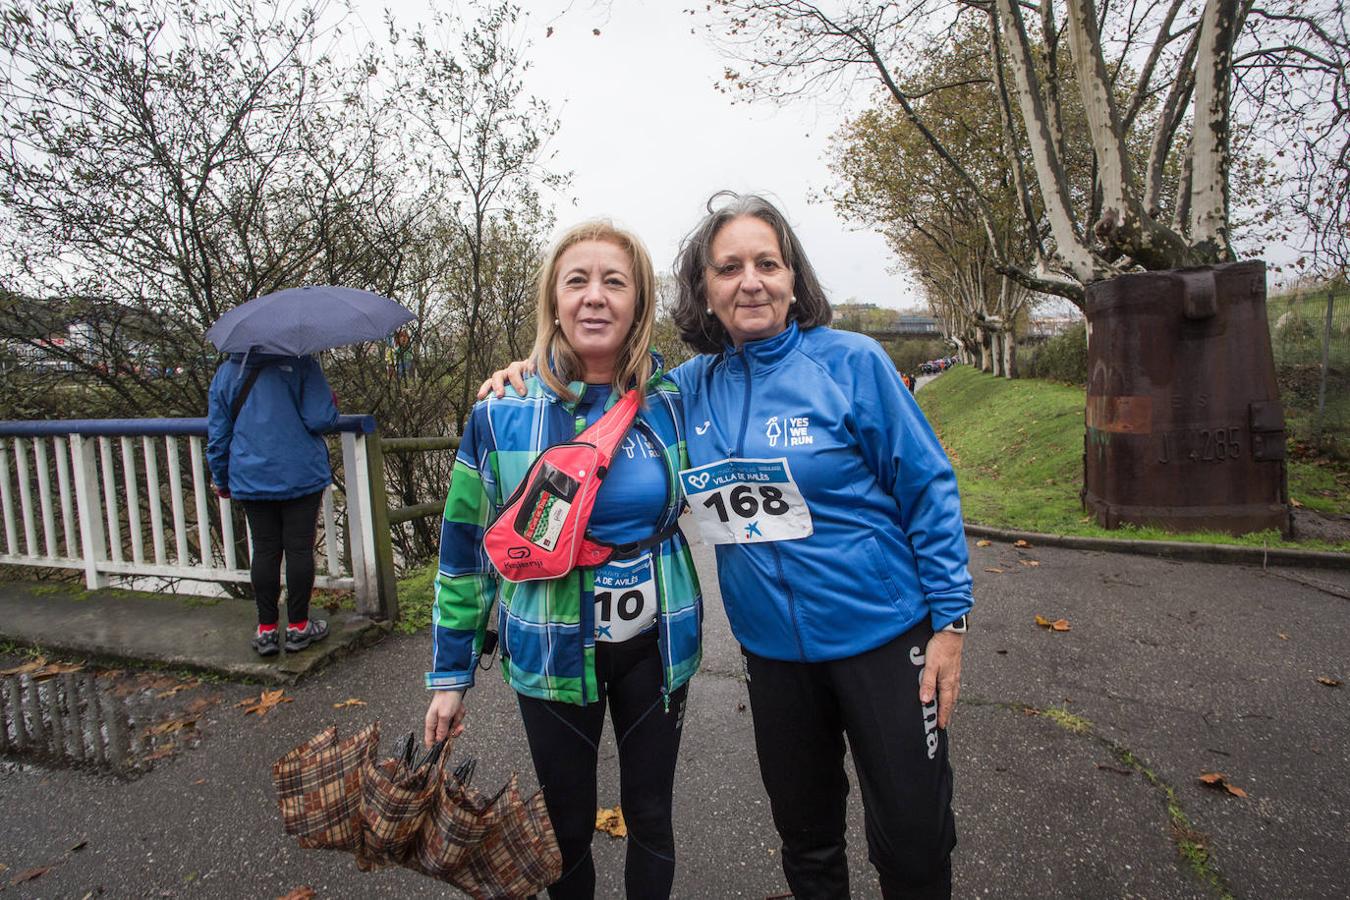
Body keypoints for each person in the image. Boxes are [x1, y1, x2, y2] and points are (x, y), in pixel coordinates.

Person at [485, 193, 972, 899]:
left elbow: (928, 488)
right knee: (807, 840)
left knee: (914, 843)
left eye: (768, 264)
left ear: (794, 278)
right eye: (729, 267)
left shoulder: (853, 364)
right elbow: (600, 390)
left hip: (883, 638)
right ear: (705, 292)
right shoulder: (684, 390)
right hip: (775, 655)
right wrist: (527, 372)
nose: (751, 281)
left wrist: (951, 621)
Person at [424, 221, 703, 900]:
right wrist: (449, 675)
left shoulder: (675, 402)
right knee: (565, 827)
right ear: (553, 300)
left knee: (652, 817)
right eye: (576, 281)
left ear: (638, 303)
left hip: (657, 643)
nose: (595, 297)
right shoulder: (502, 414)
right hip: (548, 648)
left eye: (615, 281)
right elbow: (463, 553)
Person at [206, 352, 338, 656]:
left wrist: (222, 478)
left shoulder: (226, 374)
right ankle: (298, 627)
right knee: (299, 549)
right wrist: (330, 400)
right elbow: (320, 418)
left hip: (251, 476)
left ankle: (266, 630)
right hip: (299, 472)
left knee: (264, 549)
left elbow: (218, 434)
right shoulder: (303, 365)